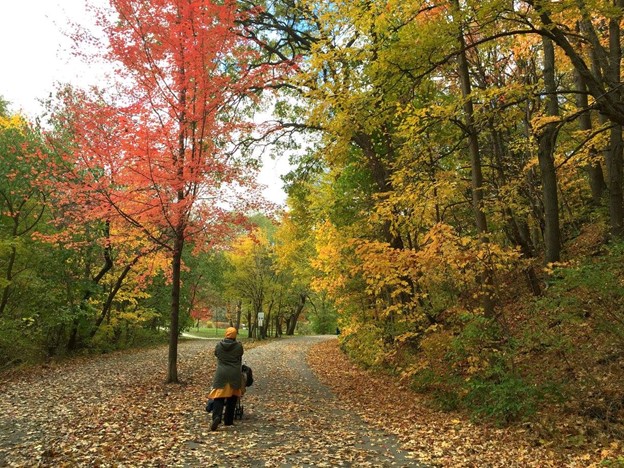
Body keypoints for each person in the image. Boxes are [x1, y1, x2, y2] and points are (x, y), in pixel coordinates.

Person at [208, 327, 244, 431]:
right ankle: (228, 420)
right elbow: (240, 354)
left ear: (226, 334)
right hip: (234, 374)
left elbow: (216, 354)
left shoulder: (219, 345)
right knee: (232, 398)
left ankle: (217, 417)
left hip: (221, 374)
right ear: (235, 335)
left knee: (219, 397)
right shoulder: (238, 346)